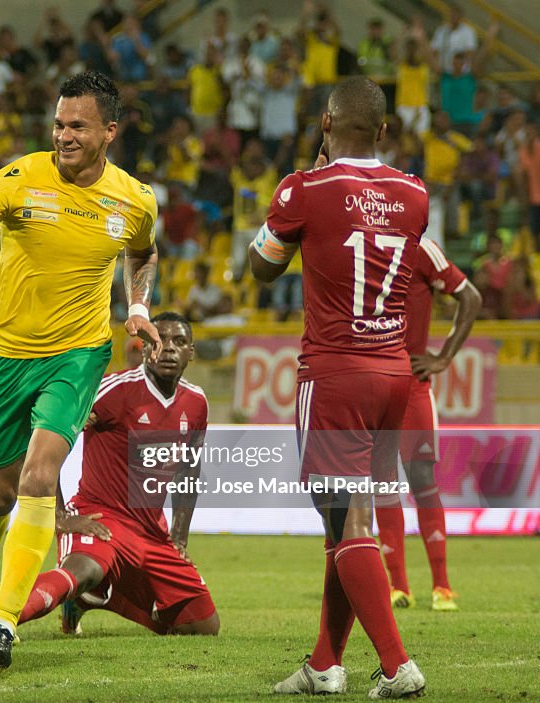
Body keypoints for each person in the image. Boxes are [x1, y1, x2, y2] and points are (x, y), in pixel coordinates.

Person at [0, 70, 160, 671]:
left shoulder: (135, 199)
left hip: (77, 356)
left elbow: (144, 249)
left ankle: (3, 619)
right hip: (6, 357)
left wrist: (136, 308)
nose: (64, 135)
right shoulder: (21, 176)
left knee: (40, 473)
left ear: (110, 129)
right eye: (58, 123)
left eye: (77, 125)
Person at [249, 76, 428, 698]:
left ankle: (396, 665)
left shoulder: (304, 189)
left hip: (334, 375)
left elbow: (262, 269)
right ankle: (325, 664)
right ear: (382, 130)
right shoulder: (415, 194)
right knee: (345, 523)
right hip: (394, 376)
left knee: (348, 523)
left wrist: (293, 193)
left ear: (325, 124)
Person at [16, 312, 219, 636]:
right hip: (100, 515)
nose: (168, 349)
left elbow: (189, 470)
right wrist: (58, 515)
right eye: (159, 340)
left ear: (191, 352)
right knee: (82, 570)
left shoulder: (196, 402)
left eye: (179, 342)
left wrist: (179, 536)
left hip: (151, 531)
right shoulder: (110, 390)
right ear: (144, 348)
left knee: (200, 625)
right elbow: (40, 435)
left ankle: (91, 599)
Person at [376, 239, 481, 612]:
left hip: (413, 384)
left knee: (421, 478)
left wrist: (444, 356)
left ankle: (442, 585)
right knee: (383, 481)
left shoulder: (420, 248)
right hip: (373, 386)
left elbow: (470, 296)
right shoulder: (357, 244)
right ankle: (398, 587)